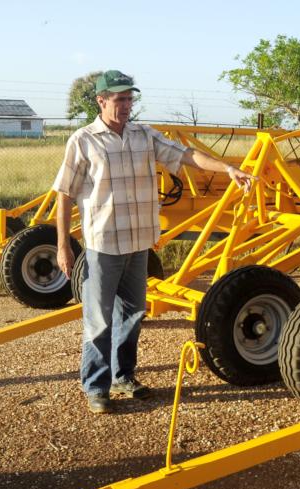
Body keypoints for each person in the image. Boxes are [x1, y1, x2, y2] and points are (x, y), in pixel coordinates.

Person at [52, 70, 254, 414]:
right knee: (99, 319)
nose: (127, 105)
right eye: (120, 100)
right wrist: (63, 245)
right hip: (104, 244)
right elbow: (64, 195)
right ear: (101, 101)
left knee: (132, 314)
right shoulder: (83, 140)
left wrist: (227, 169)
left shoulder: (144, 135)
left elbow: (186, 155)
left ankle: (123, 377)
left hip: (140, 242)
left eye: (130, 99)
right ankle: (96, 387)